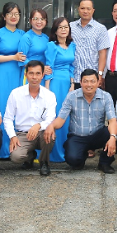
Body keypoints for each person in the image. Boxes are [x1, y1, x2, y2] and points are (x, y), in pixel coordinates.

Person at [44, 69, 117, 173]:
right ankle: (81, 156)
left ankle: (104, 163)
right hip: (78, 136)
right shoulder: (72, 96)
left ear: (98, 82)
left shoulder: (106, 96)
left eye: (92, 81)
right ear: (81, 82)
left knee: (110, 133)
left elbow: (112, 120)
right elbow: (61, 119)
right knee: (73, 160)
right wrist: (51, 126)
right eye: (85, 81)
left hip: (98, 135)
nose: (89, 85)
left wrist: (113, 137)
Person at [4, 61, 57, 176]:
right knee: (16, 157)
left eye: (38, 73)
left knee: (50, 135)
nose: (34, 77)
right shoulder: (15, 93)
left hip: (41, 132)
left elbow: (51, 117)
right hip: (23, 134)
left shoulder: (49, 95)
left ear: (42, 75)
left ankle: (44, 162)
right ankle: (30, 156)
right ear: (26, 74)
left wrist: (39, 125)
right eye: (31, 73)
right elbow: (7, 118)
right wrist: (13, 136)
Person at [0, 2, 26, 159]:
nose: (13, 17)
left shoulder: (23, 34)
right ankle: (0, 148)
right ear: (4, 16)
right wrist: (13, 57)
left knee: (17, 108)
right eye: (10, 13)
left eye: (16, 14)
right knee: (2, 107)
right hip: (2, 74)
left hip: (18, 73)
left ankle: (16, 147)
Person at [44, 17, 76, 162]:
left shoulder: (72, 46)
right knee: (55, 114)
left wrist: (72, 84)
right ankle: (53, 152)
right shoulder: (52, 46)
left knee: (66, 115)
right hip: (55, 83)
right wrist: (47, 89)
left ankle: (64, 149)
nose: (63, 30)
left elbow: (72, 67)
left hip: (67, 84)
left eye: (66, 27)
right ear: (55, 31)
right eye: (60, 27)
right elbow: (49, 67)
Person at [69, 0, 110, 90]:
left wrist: (100, 74)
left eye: (88, 9)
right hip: (73, 77)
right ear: (78, 9)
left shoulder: (100, 29)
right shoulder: (70, 26)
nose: (85, 11)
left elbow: (102, 53)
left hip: (92, 79)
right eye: (82, 8)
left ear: (93, 10)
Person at [19, 9, 53, 74]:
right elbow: (22, 60)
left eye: (42, 19)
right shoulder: (26, 37)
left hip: (43, 74)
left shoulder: (46, 38)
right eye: (35, 19)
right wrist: (40, 68)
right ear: (30, 21)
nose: (39, 22)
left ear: (46, 21)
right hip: (30, 74)